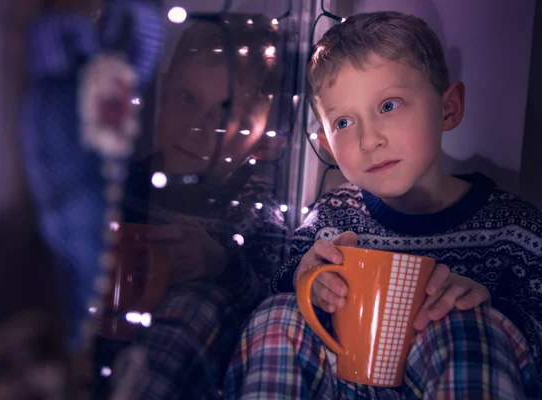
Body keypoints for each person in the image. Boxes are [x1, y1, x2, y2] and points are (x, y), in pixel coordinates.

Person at [224, 11, 542, 399]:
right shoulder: (330, 217)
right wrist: (307, 278)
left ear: (448, 109)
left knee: (463, 326)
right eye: (343, 123)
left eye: (389, 105)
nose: (368, 140)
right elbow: (279, 287)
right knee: (278, 313)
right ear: (326, 147)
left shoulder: (516, 230)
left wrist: (490, 312)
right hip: (341, 383)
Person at [93, 13, 290, 399]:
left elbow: (270, 305)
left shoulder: (256, 210)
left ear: (264, 135)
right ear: (163, 91)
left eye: (226, 116)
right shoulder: (121, 185)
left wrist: (220, 264)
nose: (198, 128)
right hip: (103, 338)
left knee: (200, 303)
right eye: (187, 99)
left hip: (187, 362)